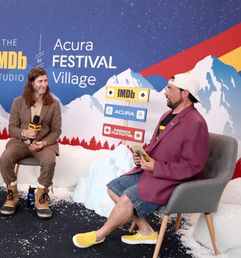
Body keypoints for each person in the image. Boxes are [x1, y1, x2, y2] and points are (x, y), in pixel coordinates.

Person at [72, 73, 210, 248]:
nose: (165, 92)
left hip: (171, 180)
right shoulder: (167, 115)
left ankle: (99, 234)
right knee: (114, 188)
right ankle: (146, 231)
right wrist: (143, 155)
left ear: (185, 93)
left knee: (127, 199)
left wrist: (156, 166)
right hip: (152, 172)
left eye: (170, 88)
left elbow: (193, 167)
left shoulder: (196, 123)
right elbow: (156, 145)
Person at [0, 67, 62, 219]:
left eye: (46, 81)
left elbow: (56, 131)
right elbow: (11, 127)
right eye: (40, 81)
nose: (44, 84)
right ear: (32, 83)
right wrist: (23, 133)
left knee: (49, 161)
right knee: (4, 159)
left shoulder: (54, 104)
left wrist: (44, 143)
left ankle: (41, 197)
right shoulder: (18, 102)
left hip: (43, 144)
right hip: (21, 142)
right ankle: (12, 195)